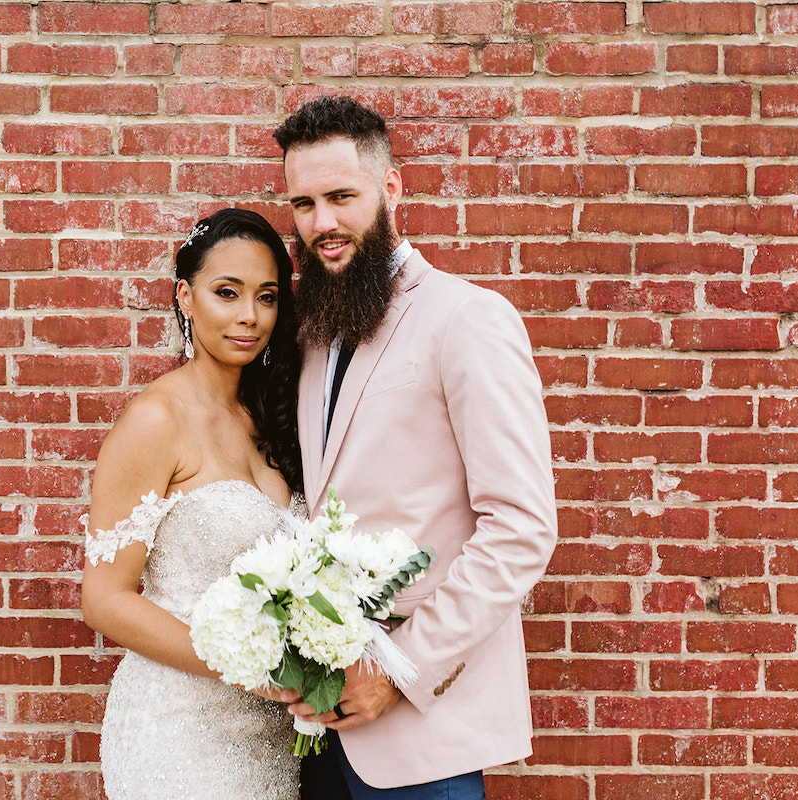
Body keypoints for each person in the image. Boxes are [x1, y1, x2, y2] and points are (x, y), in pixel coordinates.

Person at [274, 96, 558, 798]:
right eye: (304, 204)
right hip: (323, 733)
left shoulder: (468, 318)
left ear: (391, 188)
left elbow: (521, 530)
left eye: (342, 196)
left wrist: (399, 669)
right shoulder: (314, 337)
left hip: (425, 731)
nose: (323, 224)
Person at [81, 208, 305, 799]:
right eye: (226, 293)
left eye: (267, 297)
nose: (249, 317)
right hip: (178, 733)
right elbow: (104, 601)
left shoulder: (269, 419)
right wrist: (249, 668)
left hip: (267, 737)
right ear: (186, 296)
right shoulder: (156, 420)